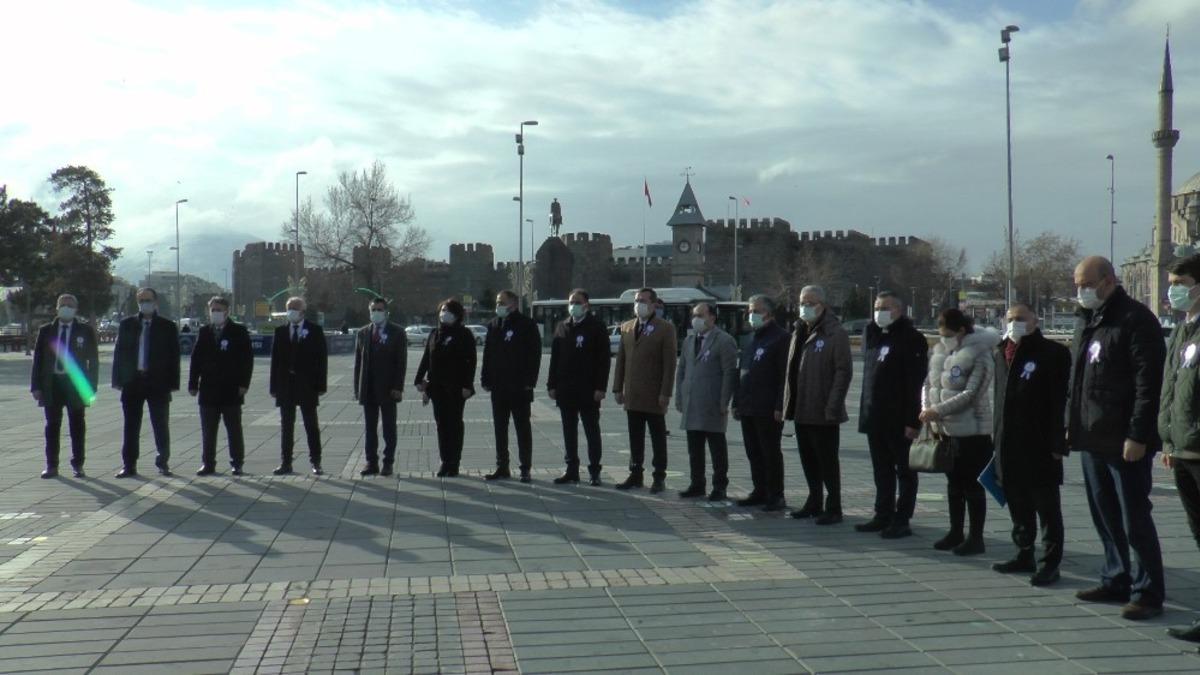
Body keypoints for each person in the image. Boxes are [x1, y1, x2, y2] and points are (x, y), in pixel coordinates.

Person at [1068, 256, 1166, 621]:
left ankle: (1147, 591)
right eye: (1077, 284)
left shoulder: (1135, 320)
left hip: (1125, 439)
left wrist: (1139, 434)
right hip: (1092, 435)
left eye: (1086, 283)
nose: (1081, 291)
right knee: (1104, 512)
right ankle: (1116, 576)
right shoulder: (1087, 321)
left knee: (1133, 517)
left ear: (1108, 281)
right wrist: (1070, 423)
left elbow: (1148, 384)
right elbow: (1077, 382)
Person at [992, 303, 1070, 586]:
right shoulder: (1001, 352)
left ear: (1035, 321)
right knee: (1018, 505)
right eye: (1010, 319)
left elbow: (1060, 401)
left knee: (1046, 508)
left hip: (1039, 445)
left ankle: (1050, 563)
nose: (1015, 324)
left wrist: (1058, 443)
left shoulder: (1053, 354)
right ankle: (1024, 552)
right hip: (1007, 443)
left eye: (1021, 319)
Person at [919, 309, 1001, 555]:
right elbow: (927, 384)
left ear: (962, 331)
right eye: (941, 335)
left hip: (972, 431)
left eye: (948, 334)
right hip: (945, 430)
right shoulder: (940, 353)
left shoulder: (981, 354)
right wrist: (926, 407)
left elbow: (973, 393)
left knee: (972, 485)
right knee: (953, 484)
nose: (944, 339)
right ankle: (955, 531)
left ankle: (976, 537)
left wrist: (938, 410)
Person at [857, 291, 928, 539]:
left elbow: (915, 382)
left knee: (904, 471)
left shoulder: (912, 338)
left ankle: (902, 518)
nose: (880, 312)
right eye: (877, 307)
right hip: (875, 416)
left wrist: (913, 420)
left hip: (899, 419)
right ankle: (882, 513)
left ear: (899, 311)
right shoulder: (872, 335)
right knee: (881, 469)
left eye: (886, 307)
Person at [783, 285, 852, 524]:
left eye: (810, 303)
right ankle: (814, 500)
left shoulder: (835, 333)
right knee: (808, 459)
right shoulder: (799, 330)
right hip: (802, 407)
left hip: (824, 409)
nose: (805, 307)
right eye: (803, 302)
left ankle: (834, 506)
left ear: (822, 305)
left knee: (827, 461)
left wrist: (833, 405)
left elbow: (843, 372)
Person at [1162, 254, 1200, 641]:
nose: (1173, 289)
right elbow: (1170, 390)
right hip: (1183, 449)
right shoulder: (1182, 331)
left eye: (1181, 281)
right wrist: (1168, 437)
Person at [612, 287, 677, 492]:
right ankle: (635, 472)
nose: (639, 304)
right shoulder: (627, 327)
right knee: (635, 435)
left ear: (653, 304)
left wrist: (665, 392)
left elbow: (669, 364)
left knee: (657, 436)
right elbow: (621, 360)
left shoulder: (665, 328)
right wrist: (617, 388)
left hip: (654, 394)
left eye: (643, 300)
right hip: (632, 393)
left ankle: (659, 476)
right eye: (637, 300)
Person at [112, 287, 180, 478]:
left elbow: (174, 357)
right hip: (133, 382)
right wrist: (118, 380)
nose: (145, 304)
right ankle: (129, 465)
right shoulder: (127, 324)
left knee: (160, 425)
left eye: (148, 300)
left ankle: (163, 462)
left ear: (155, 302)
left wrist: (172, 384)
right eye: (141, 300)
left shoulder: (167, 326)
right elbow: (120, 353)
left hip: (158, 383)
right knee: (131, 426)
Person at [31, 294, 99, 478]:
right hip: (52, 383)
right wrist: (36, 386)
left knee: (77, 425)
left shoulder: (85, 331)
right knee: (52, 425)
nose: (66, 308)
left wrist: (91, 387)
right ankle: (51, 465)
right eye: (63, 305)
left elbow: (93, 361)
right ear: (57, 308)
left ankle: (78, 464)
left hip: (75, 384)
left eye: (70, 305)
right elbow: (38, 360)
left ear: (76, 309)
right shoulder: (46, 331)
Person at [732, 294, 790, 512]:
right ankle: (760, 490)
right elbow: (742, 372)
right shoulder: (753, 338)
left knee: (770, 452)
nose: (751, 315)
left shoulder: (781, 338)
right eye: (749, 311)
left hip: (767, 408)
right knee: (753, 451)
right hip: (748, 405)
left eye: (755, 311)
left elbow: (784, 375)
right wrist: (736, 401)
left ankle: (776, 494)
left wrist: (779, 405)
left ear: (768, 313)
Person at [547, 289, 610, 486]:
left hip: (589, 389)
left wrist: (601, 387)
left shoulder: (596, 327)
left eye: (577, 302)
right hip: (566, 389)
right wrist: (551, 384)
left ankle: (594, 470)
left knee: (592, 430)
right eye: (571, 302)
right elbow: (555, 359)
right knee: (569, 431)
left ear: (586, 305)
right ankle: (571, 469)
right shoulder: (562, 327)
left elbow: (603, 360)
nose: (573, 305)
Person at [675, 302, 738, 500]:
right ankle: (697, 483)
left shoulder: (724, 340)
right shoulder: (689, 340)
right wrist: (679, 396)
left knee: (716, 447)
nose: (697, 319)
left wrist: (724, 401)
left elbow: (729, 373)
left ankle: (719, 485)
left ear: (712, 317)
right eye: (695, 315)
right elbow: (682, 370)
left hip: (712, 401)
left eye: (701, 315)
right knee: (694, 448)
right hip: (692, 401)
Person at [481, 290, 541, 482]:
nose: (498, 305)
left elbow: (535, 355)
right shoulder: (493, 325)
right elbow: (488, 355)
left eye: (502, 302)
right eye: (497, 302)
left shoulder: (526, 324)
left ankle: (525, 467)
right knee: (500, 428)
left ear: (513, 304)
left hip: (520, 387)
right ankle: (502, 466)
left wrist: (530, 382)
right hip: (499, 387)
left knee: (522, 428)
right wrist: (486, 379)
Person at [189, 297, 253, 476]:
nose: (215, 313)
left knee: (233, 428)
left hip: (231, 389)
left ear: (227, 311)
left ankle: (237, 463)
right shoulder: (204, 332)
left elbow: (247, 360)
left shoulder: (238, 331)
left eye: (219, 310)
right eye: (213, 310)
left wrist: (244, 384)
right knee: (208, 430)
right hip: (208, 389)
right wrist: (193, 383)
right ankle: (208, 463)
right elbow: (196, 359)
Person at [416, 299, 476, 477]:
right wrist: (419, 379)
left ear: (457, 315)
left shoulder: (464, 334)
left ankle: (454, 462)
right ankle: (445, 461)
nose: (444, 313)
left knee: (454, 424)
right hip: (437, 387)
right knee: (441, 424)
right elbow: (427, 358)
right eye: (442, 310)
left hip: (456, 388)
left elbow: (470, 361)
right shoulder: (435, 333)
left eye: (448, 310)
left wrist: (468, 385)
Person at [269, 296, 328, 476]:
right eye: (289, 308)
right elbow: (275, 362)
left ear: (303, 311)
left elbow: (321, 360)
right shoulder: (280, 332)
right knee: (286, 426)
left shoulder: (315, 331)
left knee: (311, 425)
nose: (292, 311)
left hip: (307, 385)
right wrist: (273, 387)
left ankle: (316, 461)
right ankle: (286, 462)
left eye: (295, 308)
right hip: (285, 386)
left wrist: (321, 385)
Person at [353, 297, 407, 476]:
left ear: (386, 312)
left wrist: (398, 387)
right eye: (373, 310)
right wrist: (357, 389)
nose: (376, 313)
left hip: (388, 388)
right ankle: (371, 462)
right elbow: (358, 363)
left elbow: (401, 362)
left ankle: (388, 462)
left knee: (389, 427)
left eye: (379, 309)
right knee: (370, 428)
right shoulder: (362, 333)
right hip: (368, 388)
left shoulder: (397, 332)